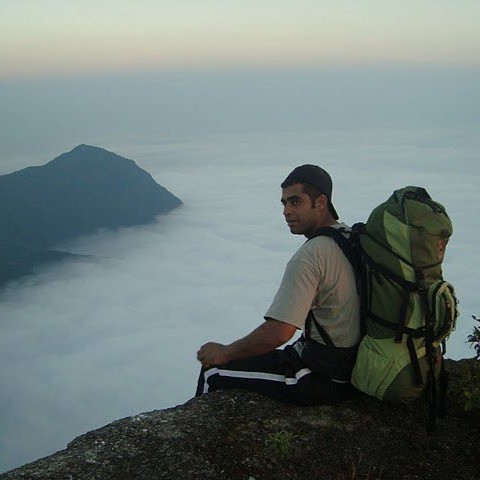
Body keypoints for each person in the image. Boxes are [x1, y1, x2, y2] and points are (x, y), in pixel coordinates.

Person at [195, 165, 361, 405]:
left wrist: (225, 352)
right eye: (284, 203)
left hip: (325, 377)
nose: (286, 211)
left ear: (321, 202)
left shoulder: (311, 256)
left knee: (212, 372)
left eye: (295, 202)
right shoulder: (351, 238)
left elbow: (279, 332)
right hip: (356, 365)